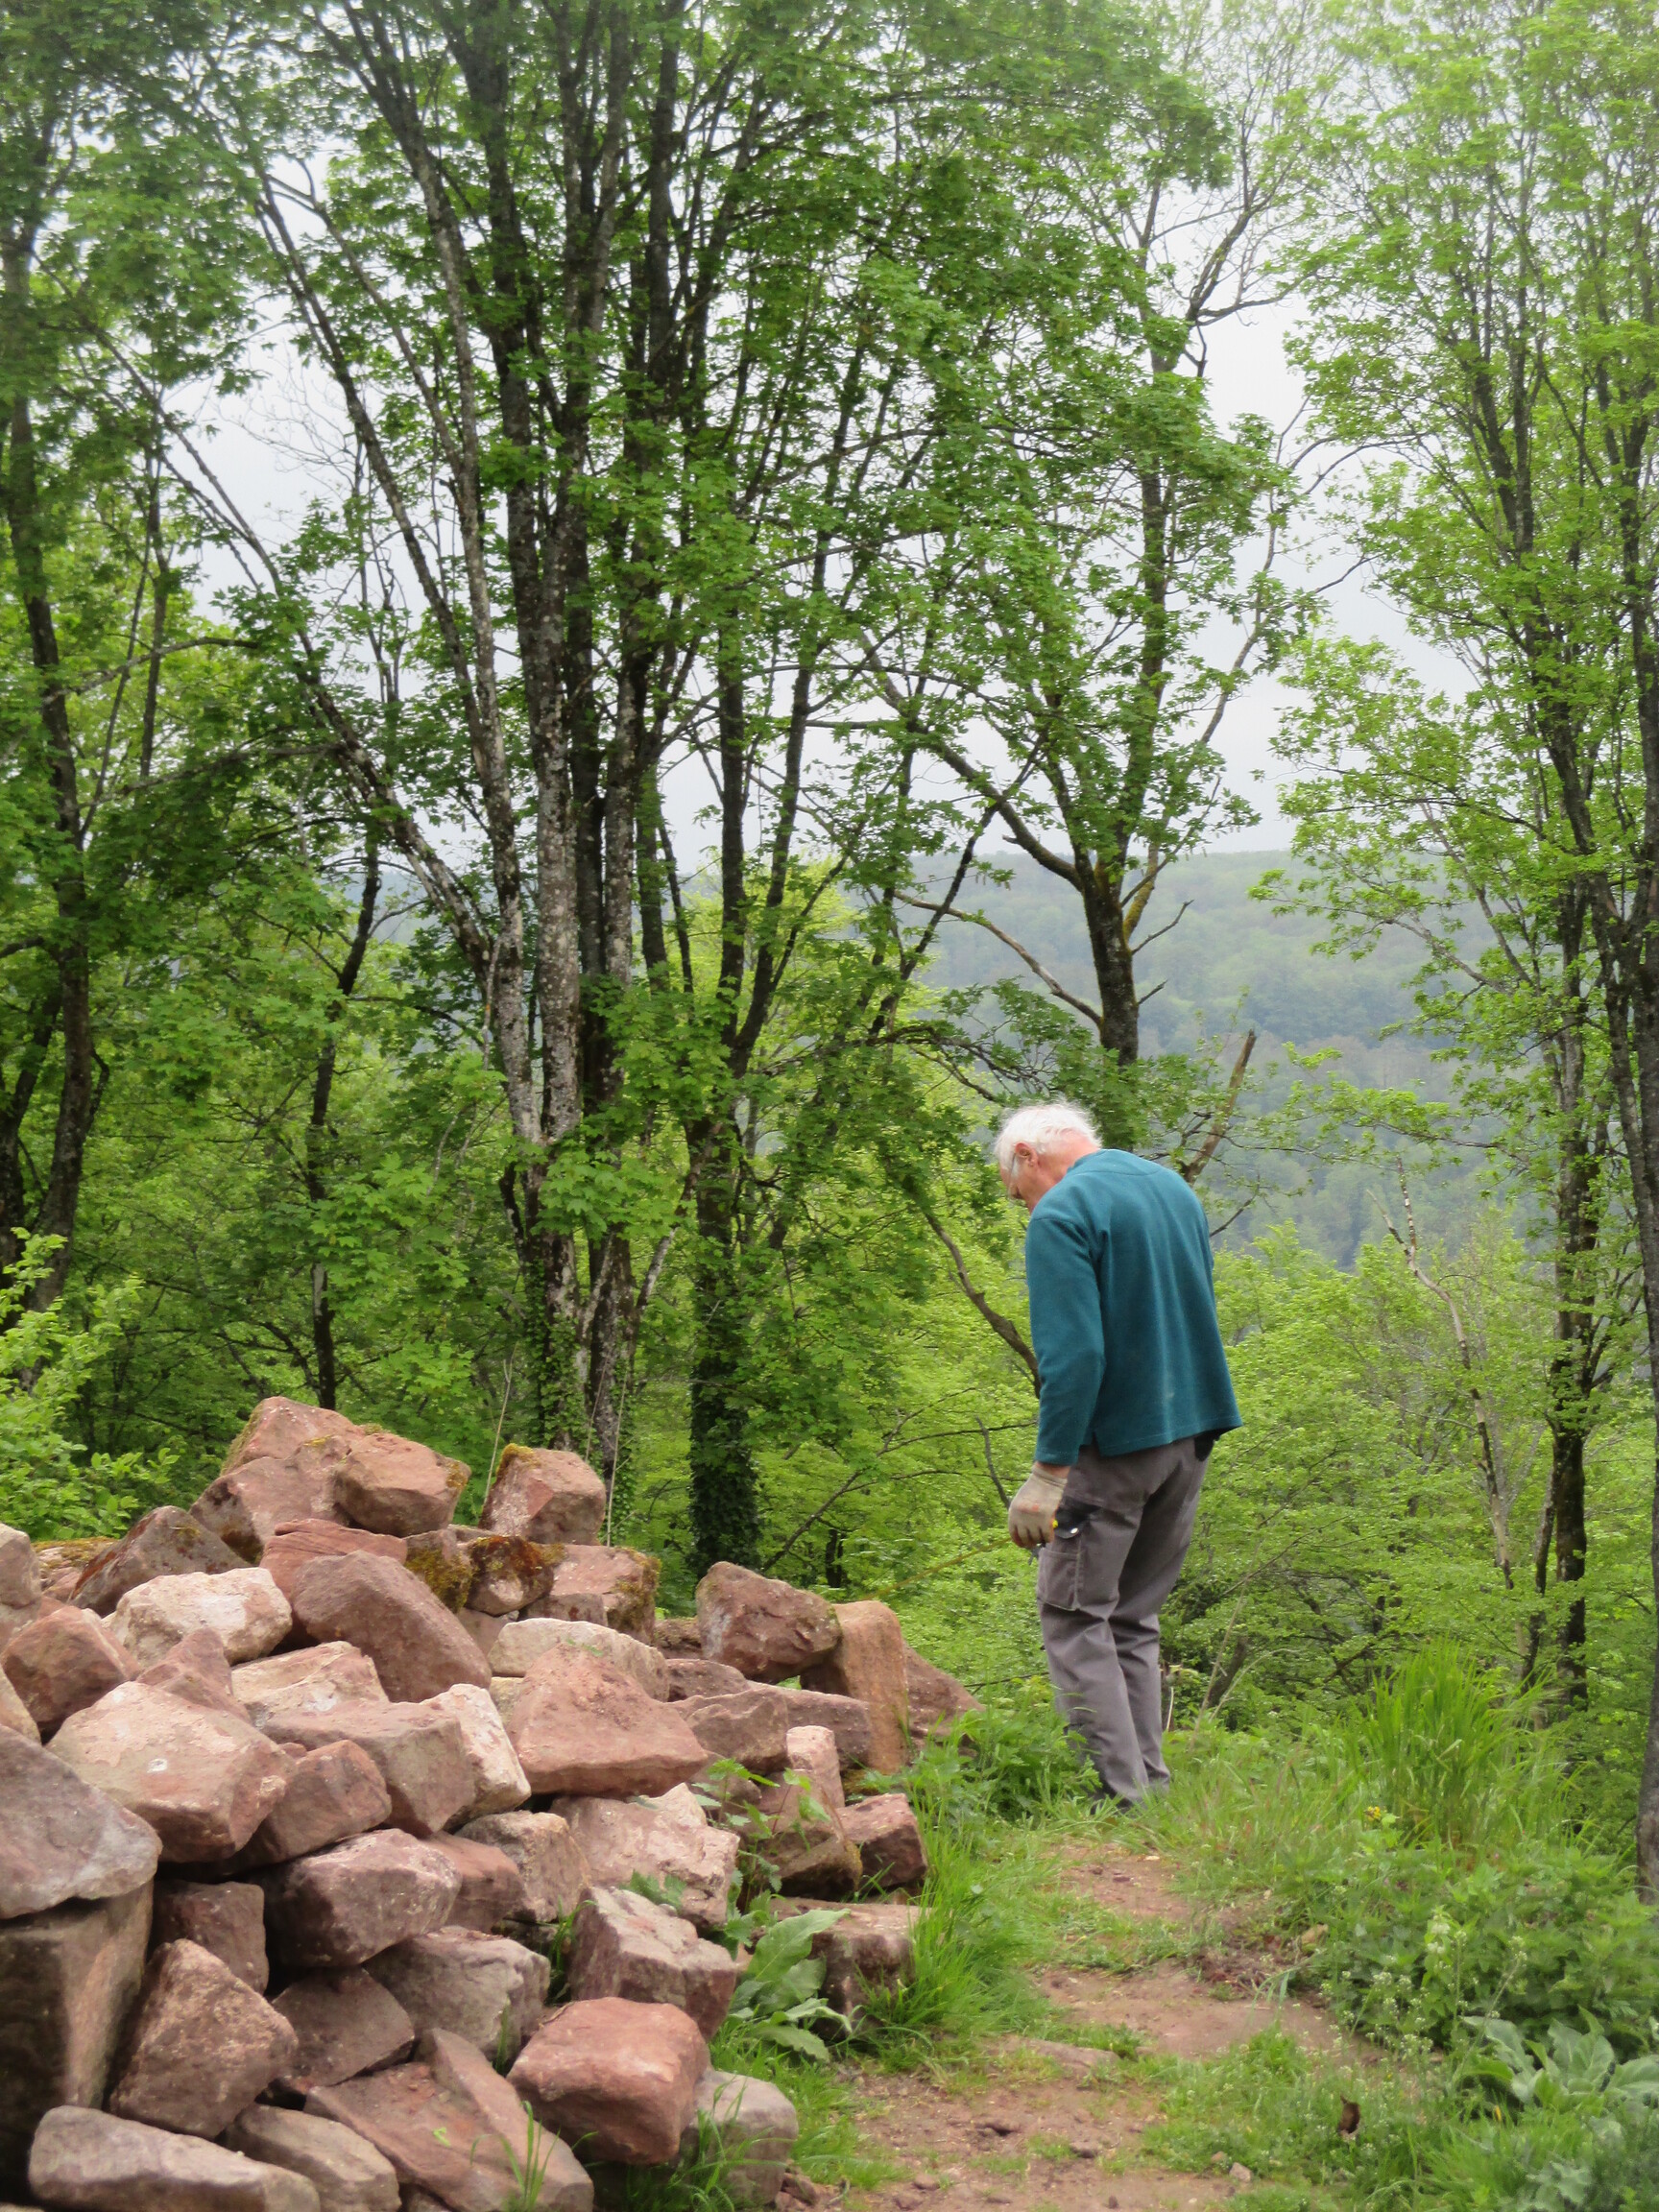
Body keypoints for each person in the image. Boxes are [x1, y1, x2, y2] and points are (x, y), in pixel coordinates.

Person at [997, 1100, 1239, 1803]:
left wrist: (1048, 1474)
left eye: (1017, 1192)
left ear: (1027, 1158)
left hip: (1114, 1453)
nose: (1024, 1205)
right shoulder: (1171, 1189)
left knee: (1076, 1617)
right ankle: (1149, 1792)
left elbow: (1074, 1357)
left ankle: (1118, 1798)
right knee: (1133, 1619)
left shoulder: (1063, 1212)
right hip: (1189, 1438)